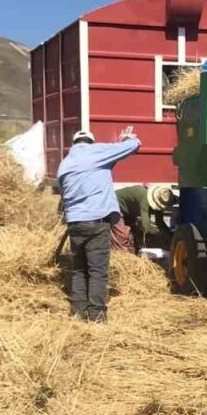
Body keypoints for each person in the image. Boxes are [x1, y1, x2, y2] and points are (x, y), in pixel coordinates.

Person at [56, 125, 141, 321]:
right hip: (96, 222)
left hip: (75, 224)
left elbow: (63, 194)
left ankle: (77, 312)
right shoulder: (98, 152)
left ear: (74, 144)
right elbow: (134, 146)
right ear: (91, 142)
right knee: (97, 271)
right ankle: (96, 315)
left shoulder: (65, 164)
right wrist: (128, 138)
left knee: (79, 269)